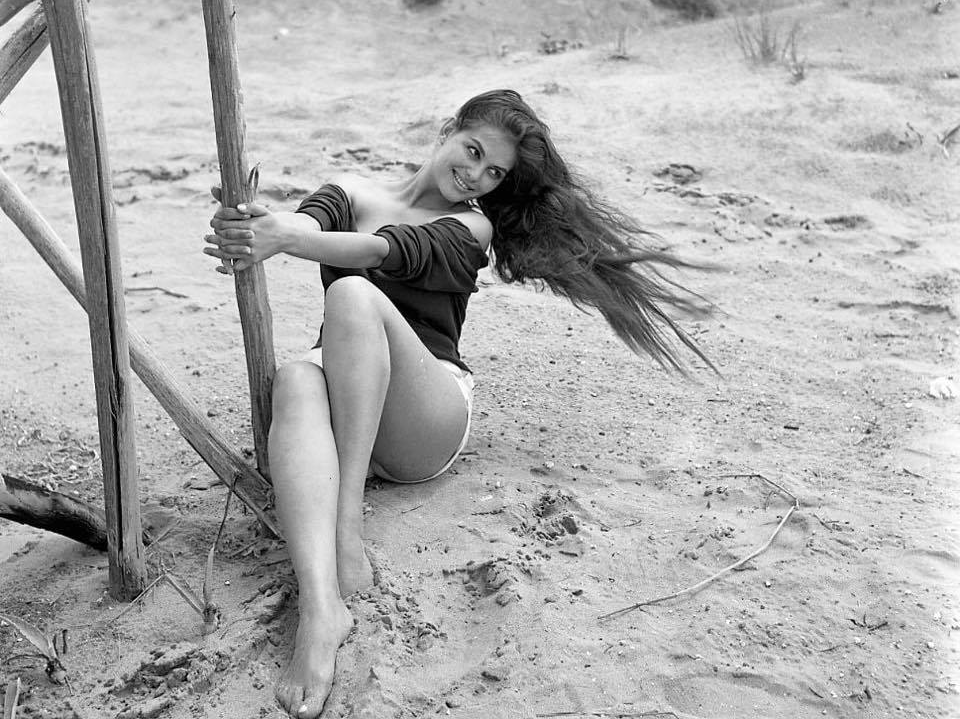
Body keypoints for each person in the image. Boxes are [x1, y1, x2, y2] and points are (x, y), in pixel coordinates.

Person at [203, 89, 712, 718]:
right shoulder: (352, 192)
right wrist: (263, 228)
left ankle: (348, 522)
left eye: (493, 171)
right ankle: (320, 607)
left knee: (354, 296)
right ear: (448, 130)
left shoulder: (473, 226)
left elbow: (386, 252)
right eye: (472, 152)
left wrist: (286, 241)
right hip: (343, 397)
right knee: (296, 379)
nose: (474, 174)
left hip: (424, 414)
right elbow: (309, 222)